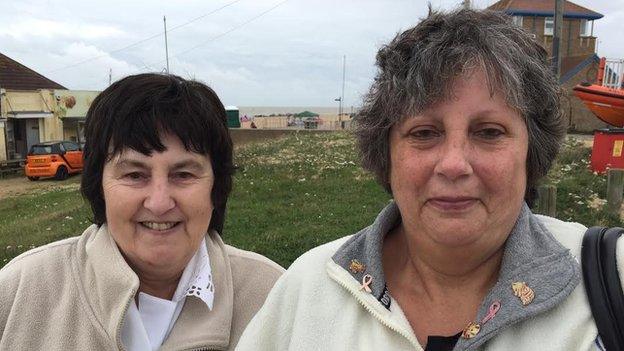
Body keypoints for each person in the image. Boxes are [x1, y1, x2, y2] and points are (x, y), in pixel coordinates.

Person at [236, 8, 623, 351]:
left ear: (530, 151)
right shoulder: (310, 287)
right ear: (386, 154)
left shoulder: (612, 278)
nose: (453, 164)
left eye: (489, 132)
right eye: (423, 133)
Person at [0, 73, 284, 350]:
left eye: (183, 174)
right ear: (99, 185)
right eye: (134, 175)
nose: (159, 203)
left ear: (217, 186)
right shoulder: (17, 291)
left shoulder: (277, 296)